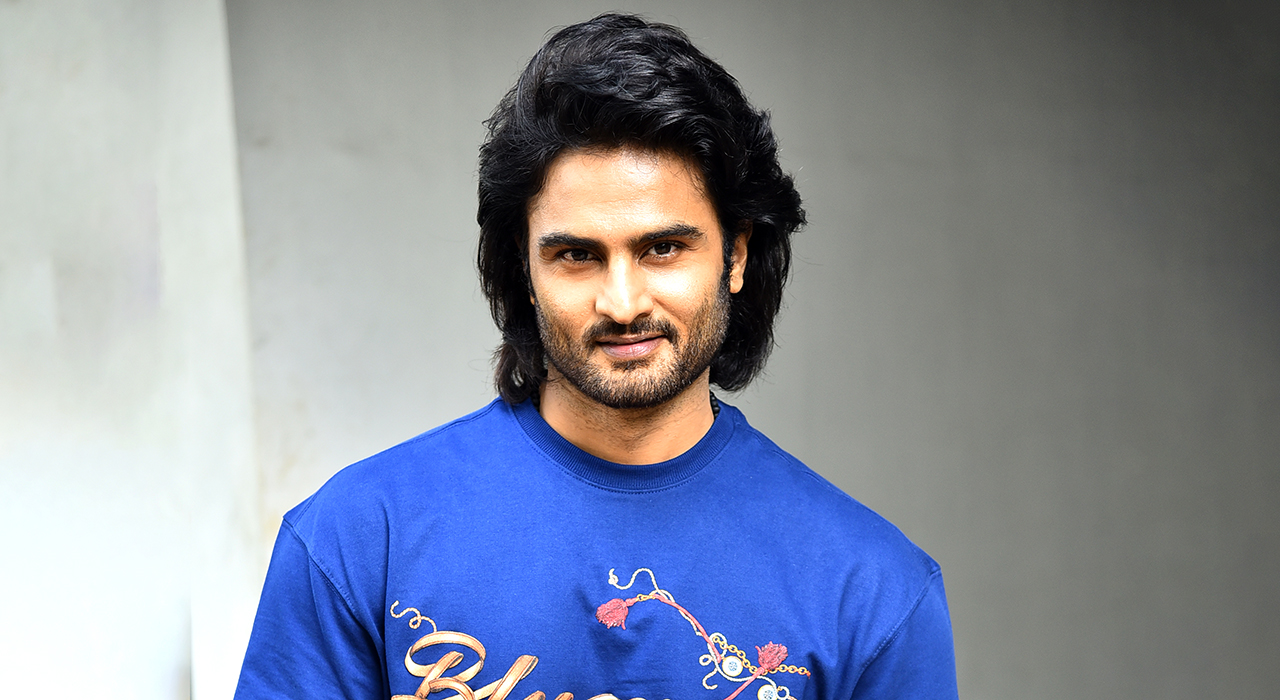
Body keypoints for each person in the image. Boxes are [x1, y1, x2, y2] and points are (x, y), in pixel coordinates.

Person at [235, 13, 958, 700]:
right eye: (577, 255)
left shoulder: (872, 592)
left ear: (736, 254)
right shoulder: (360, 540)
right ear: (524, 267)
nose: (622, 301)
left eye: (663, 248)